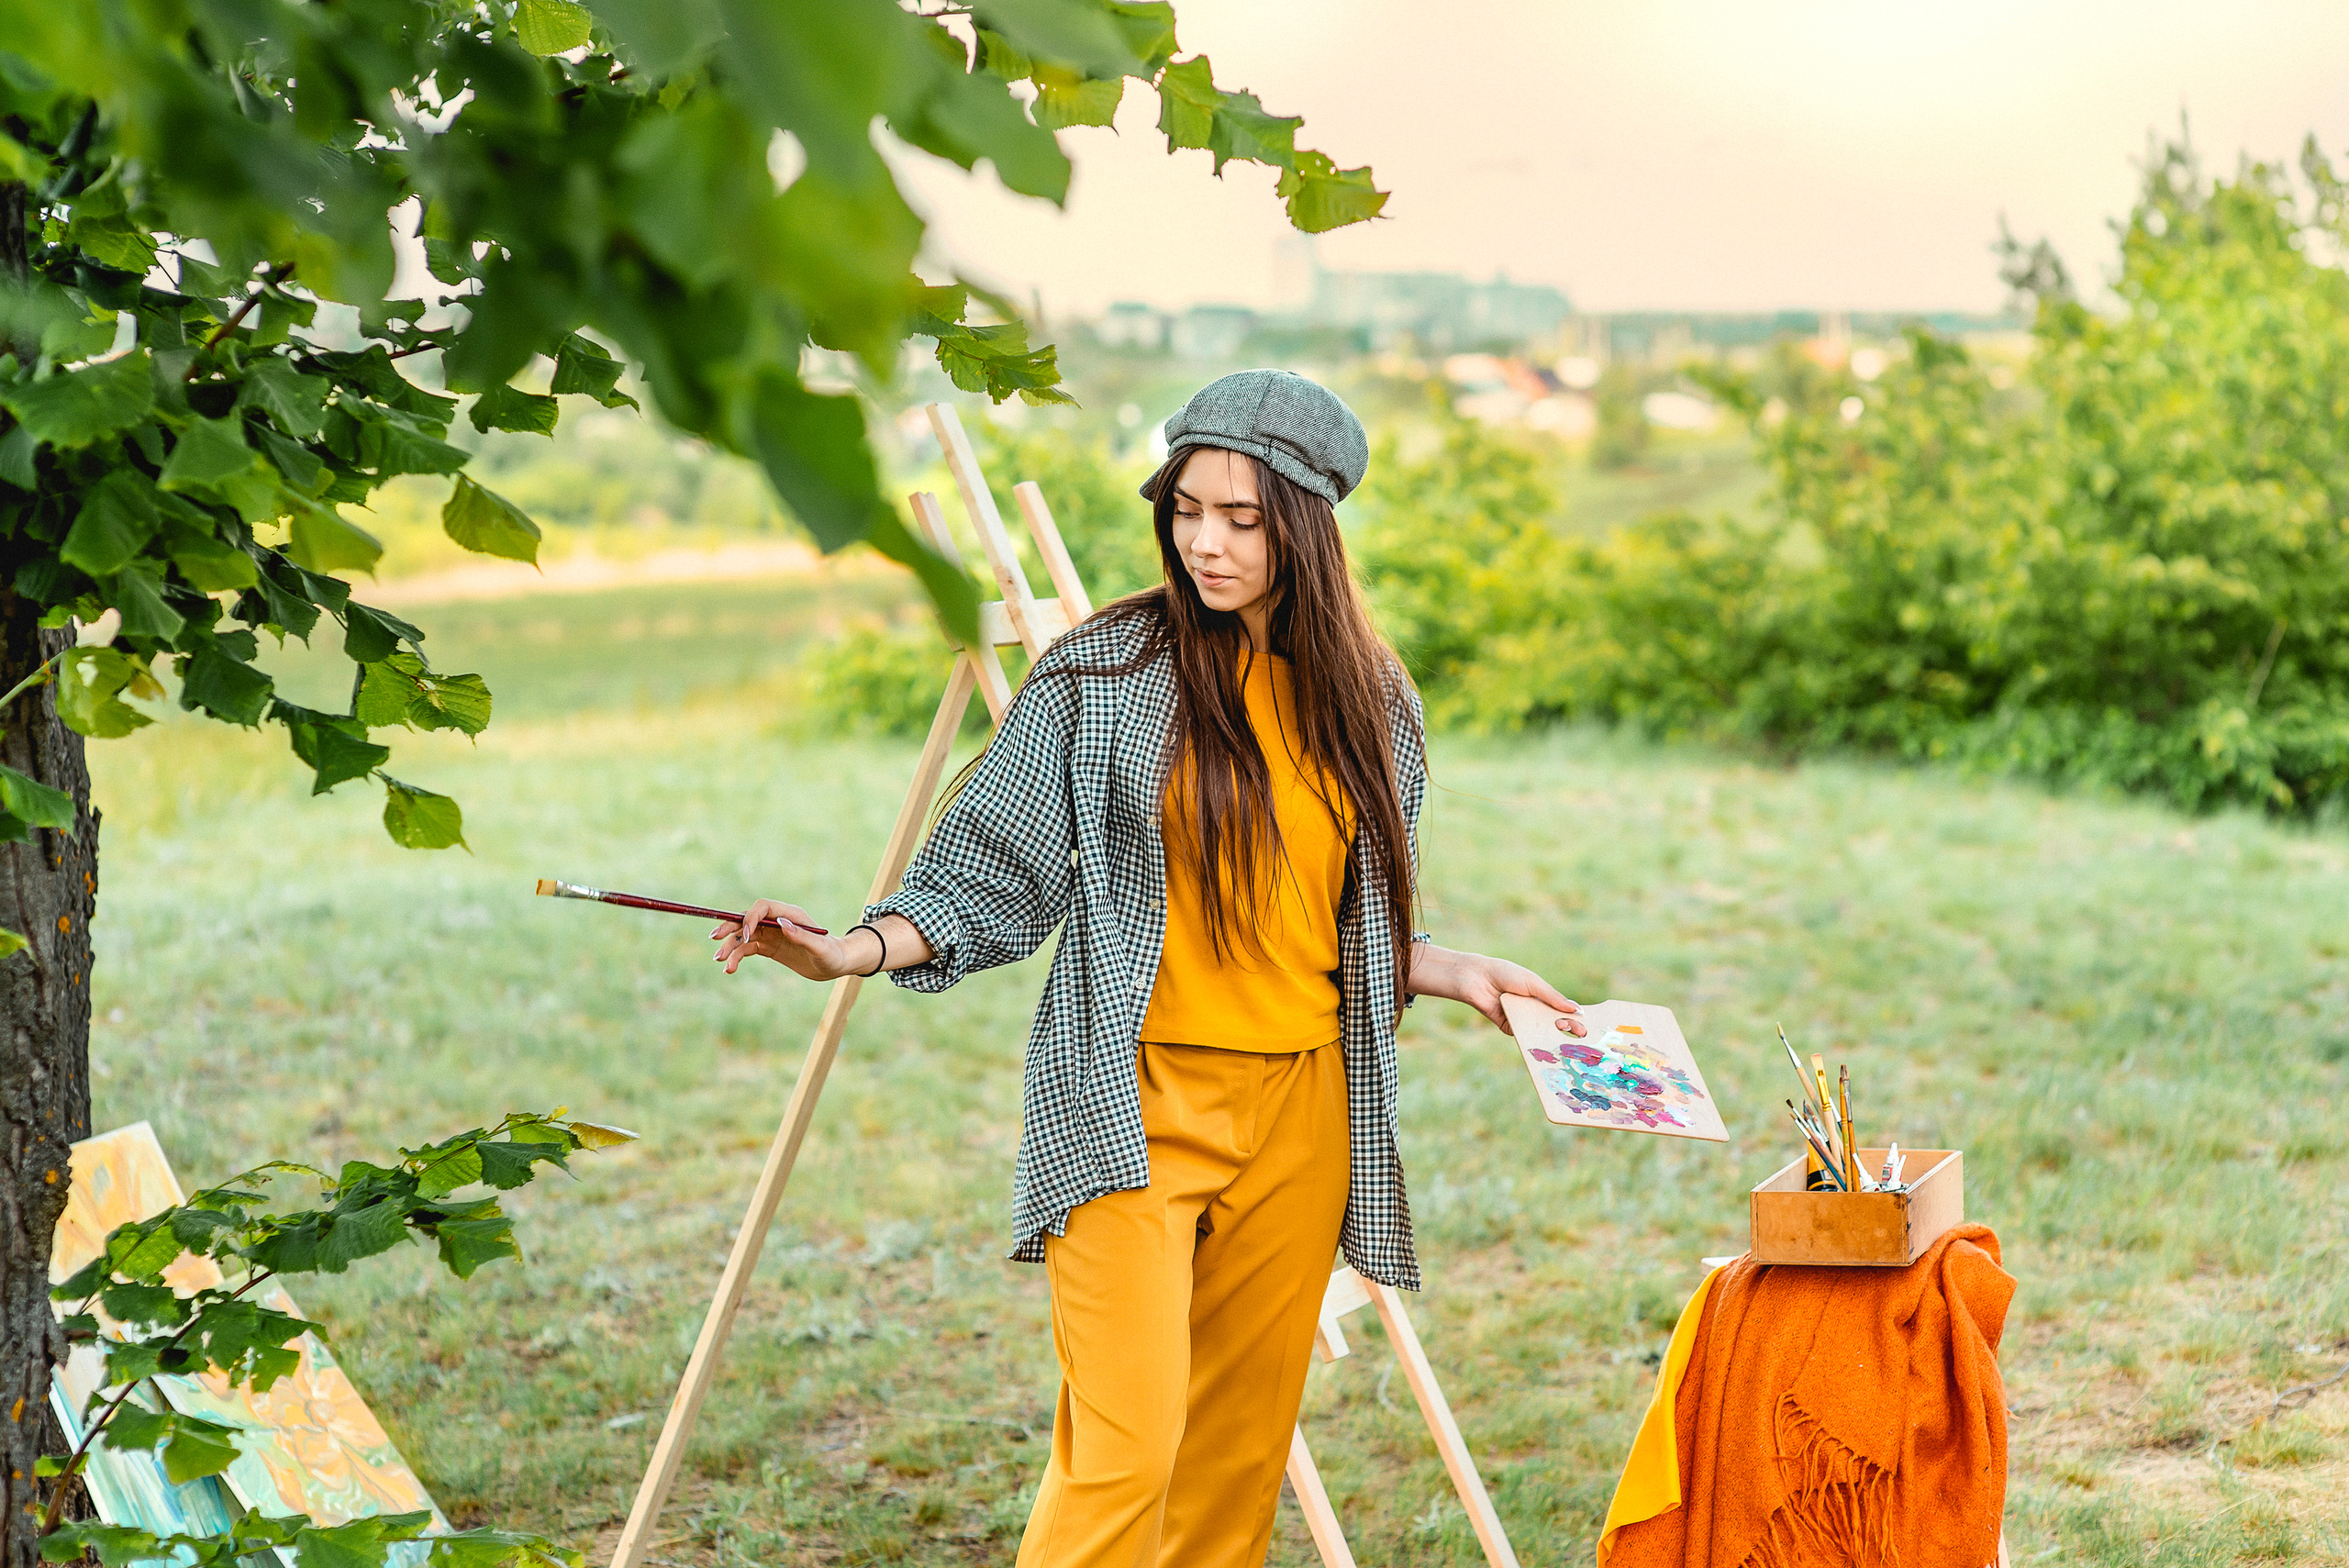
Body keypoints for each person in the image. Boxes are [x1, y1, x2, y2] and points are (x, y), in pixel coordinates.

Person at [712, 370, 1585, 1568]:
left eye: (1241, 517)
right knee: (1123, 1454)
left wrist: (1451, 967)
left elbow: (1337, 921)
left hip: (1304, 1111)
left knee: (1234, 1460)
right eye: (1186, 510)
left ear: (1307, 525)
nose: (1204, 542)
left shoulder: (1374, 700)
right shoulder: (1104, 674)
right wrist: (846, 951)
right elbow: (991, 871)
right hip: (1131, 1101)